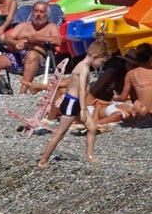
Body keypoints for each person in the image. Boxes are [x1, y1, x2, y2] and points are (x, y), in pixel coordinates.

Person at [38, 40, 108, 168]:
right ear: (95, 56)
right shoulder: (84, 68)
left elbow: (72, 83)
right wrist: (82, 108)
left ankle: (90, 156)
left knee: (92, 127)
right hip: (74, 104)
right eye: (102, 62)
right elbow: (81, 88)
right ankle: (43, 160)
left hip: (74, 101)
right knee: (60, 133)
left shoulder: (80, 66)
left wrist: (64, 95)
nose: (101, 65)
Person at [0, 1, 60, 97]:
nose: (38, 14)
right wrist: (15, 43)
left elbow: (57, 41)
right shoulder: (23, 25)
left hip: (39, 60)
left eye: (42, 12)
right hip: (18, 56)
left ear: (47, 14)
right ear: (32, 12)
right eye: (36, 11)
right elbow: (8, 37)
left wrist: (37, 38)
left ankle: (23, 92)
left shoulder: (51, 27)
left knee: (32, 55)